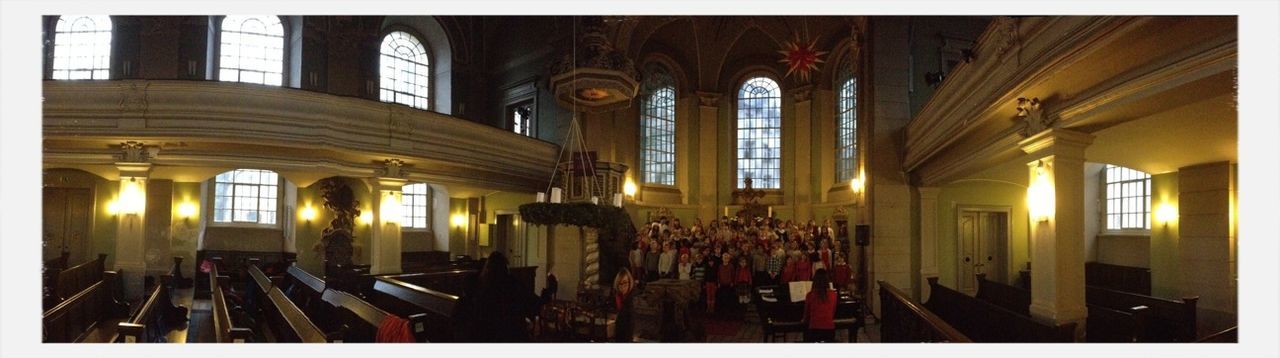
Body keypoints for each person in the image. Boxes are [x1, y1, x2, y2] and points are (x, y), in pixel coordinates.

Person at [453, 252, 538, 342]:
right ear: (505, 268)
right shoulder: (513, 285)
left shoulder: (477, 287)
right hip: (511, 336)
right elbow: (532, 304)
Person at [803, 269, 836, 343]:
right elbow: (832, 313)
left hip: (814, 330)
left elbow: (806, 315)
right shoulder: (833, 294)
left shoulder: (810, 295)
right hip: (829, 330)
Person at [613, 268, 638, 343]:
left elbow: (630, 325)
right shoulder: (619, 297)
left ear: (630, 282)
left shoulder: (631, 300)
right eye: (620, 283)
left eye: (625, 282)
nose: (622, 286)